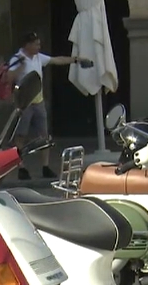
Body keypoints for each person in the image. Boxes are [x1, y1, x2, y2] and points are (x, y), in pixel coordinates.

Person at [6, 31, 89, 180]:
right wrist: (20, 67)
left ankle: (45, 166)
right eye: (36, 44)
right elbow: (9, 77)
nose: (39, 46)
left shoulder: (39, 57)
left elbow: (56, 60)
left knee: (44, 136)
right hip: (24, 104)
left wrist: (75, 60)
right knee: (21, 136)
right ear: (28, 45)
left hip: (39, 102)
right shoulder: (17, 59)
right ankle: (21, 167)